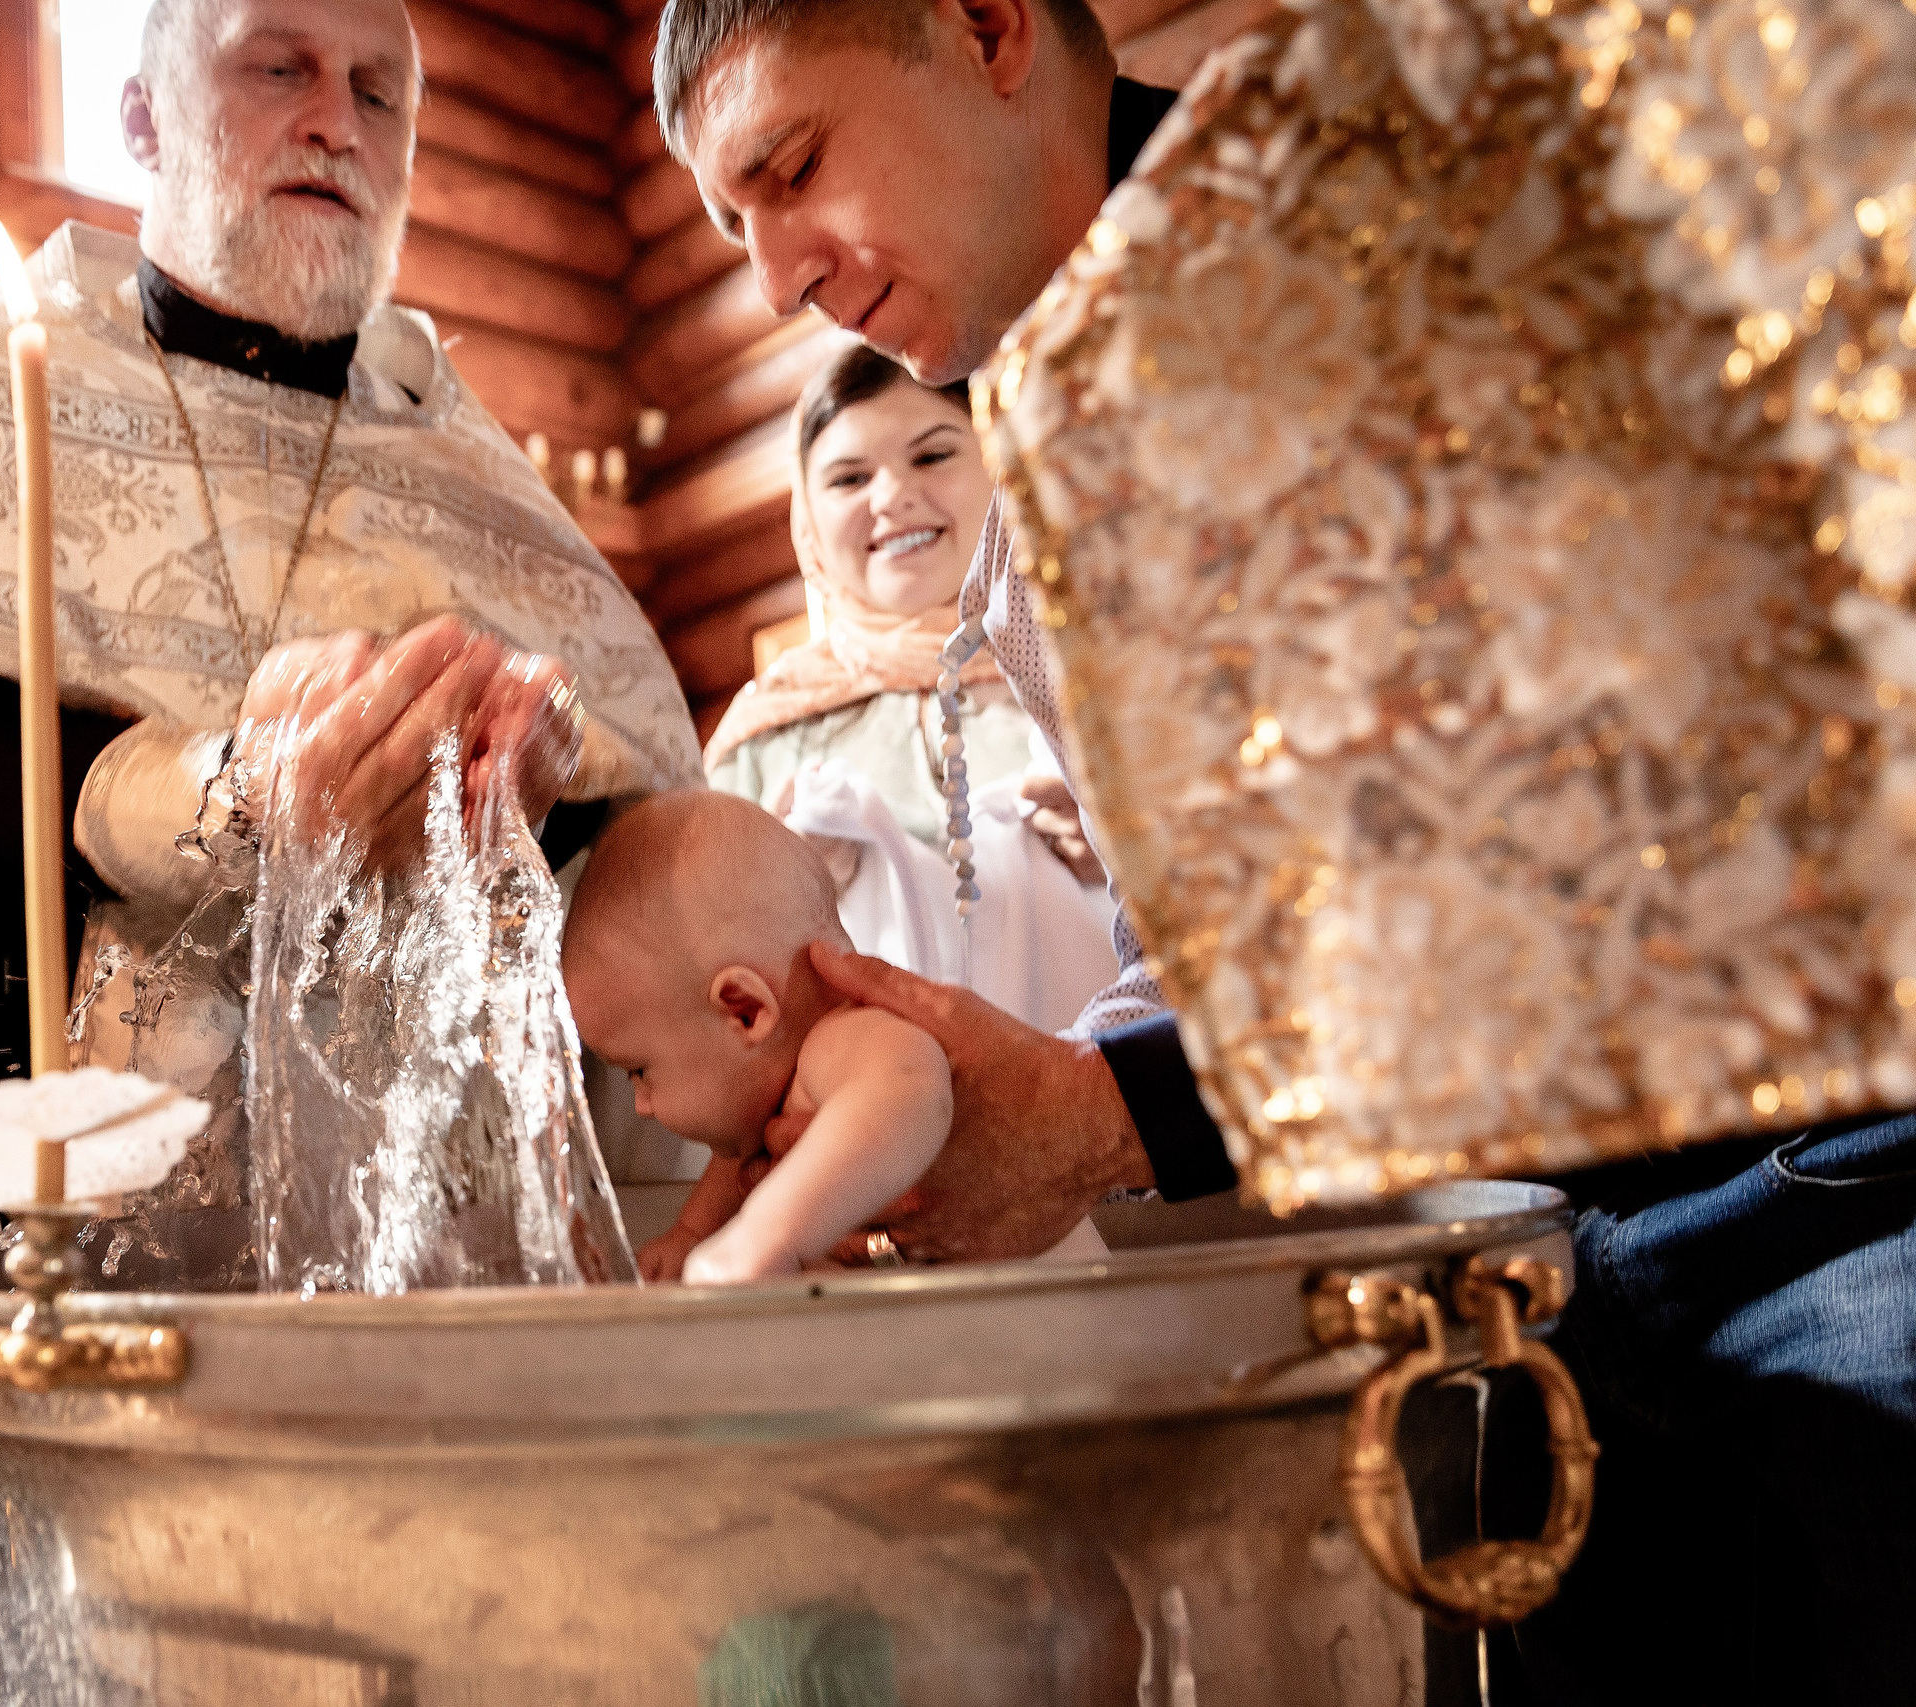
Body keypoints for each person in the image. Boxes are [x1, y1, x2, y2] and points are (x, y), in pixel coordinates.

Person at [652, 1, 1916, 1702]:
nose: (781, 274)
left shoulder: (1397, 183)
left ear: (985, 27)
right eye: (733, 231)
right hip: (1509, 1276)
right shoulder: (1031, 523)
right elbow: (1250, 925)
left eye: (794, 169)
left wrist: (1115, 1110)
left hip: (1815, 1201)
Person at [0, 1, 697, 1698]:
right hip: (85, 1272)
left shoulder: (496, 505)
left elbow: (634, 851)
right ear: (145, 122)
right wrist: (229, 796)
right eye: (277, 68)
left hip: (426, 1304)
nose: (339, 122)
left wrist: (524, 797)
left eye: (383, 90)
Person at [705, 342, 1116, 1033]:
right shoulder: (760, 742)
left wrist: (1126, 847)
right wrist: (769, 903)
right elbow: (710, 998)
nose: (892, 496)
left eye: (932, 456)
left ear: (1000, 467)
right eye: (847, 479)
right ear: (806, 515)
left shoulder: (1096, 675)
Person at [564, 790, 953, 1284]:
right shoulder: (774, 1097)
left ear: (745, 1010)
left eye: (640, 1071)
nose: (641, 1104)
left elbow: (912, 1094)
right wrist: (690, 1234)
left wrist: (767, 1235)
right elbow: (739, 1162)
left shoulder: (846, 1038)